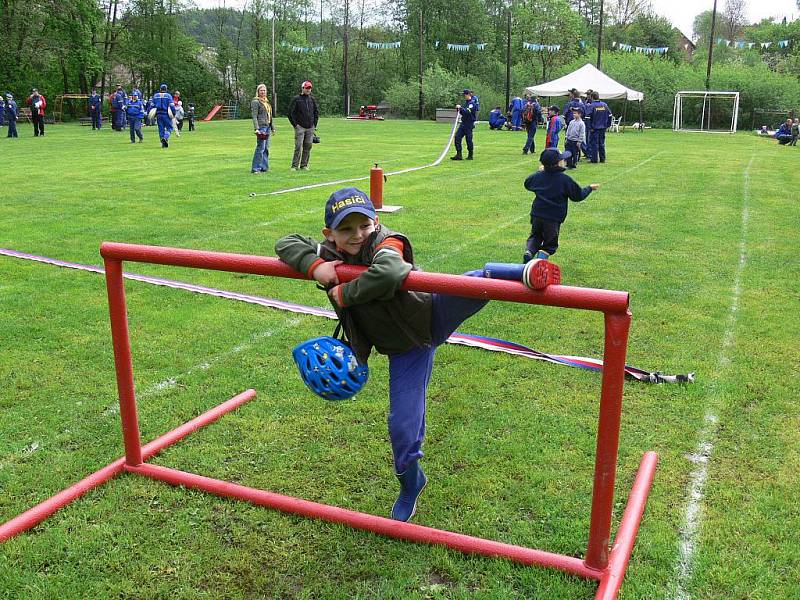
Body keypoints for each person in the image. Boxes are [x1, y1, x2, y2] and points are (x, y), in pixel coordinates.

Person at [275, 187, 504, 523]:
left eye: (363, 226)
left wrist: (345, 292)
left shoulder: (388, 242)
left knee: (475, 284)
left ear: (376, 222)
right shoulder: (328, 250)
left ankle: (519, 271)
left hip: (428, 321)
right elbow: (286, 243)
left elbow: (390, 272)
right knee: (402, 429)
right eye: (345, 229)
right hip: (400, 347)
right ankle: (411, 481)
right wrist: (314, 265)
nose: (356, 235)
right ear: (329, 233)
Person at [523, 148, 600, 262]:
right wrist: (589, 188)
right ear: (558, 163)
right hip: (553, 218)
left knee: (535, 236)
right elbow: (577, 196)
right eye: (562, 159)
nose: (564, 161)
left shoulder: (539, 176)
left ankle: (529, 252)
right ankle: (539, 263)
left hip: (537, 214)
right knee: (550, 244)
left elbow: (527, 183)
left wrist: (539, 172)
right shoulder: (564, 180)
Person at [287, 80, 319, 171]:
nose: (308, 90)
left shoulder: (312, 99)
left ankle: (304, 165)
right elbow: (290, 113)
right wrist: (295, 125)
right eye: (307, 88)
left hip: (310, 127)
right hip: (300, 127)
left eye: (310, 88)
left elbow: (316, 112)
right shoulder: (296, 99)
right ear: (302, 88)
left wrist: (314, 125)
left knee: (308, 146)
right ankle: (294, 166)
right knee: (298, 146)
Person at [250, 83, 275, 174]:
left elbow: (270, 115)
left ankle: (264, 167)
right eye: (261, 90)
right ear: (258, 91)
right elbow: (254, 116)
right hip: (261, 127)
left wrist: (272, 127)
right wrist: (256, 128)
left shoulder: (266, 102)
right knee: (260, 147)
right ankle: (255, 168)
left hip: (267, 126)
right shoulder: (256, 102)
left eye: (264, 90)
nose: (263, 92)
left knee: (266, 148)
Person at [451, 88, 480, 160]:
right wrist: (458, 109)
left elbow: (467, 111)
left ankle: (470, 155)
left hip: (469, 124)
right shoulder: (466, 103)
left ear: (468, 94)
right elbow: (462, 112)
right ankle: (459, 155)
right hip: (463, 123)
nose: (464, 96)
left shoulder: (472, 103)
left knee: (468, 140)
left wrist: (460, 108)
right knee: (457, 137)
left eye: (464, 94)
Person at [585, 92, 612, 163]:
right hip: (603, 128)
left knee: (594, 144)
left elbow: (587, 117)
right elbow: (610, 115)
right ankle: (602, 159)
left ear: (592, 97)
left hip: (594, 129)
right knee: (602, 143)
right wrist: (608, 125)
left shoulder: (592, 106)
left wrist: (589, 127)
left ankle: (594, 160)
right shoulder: (604, 105)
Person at [150, 83, 175, 148]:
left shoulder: (156, 96)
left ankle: (162, 141)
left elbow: (151, 106)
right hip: (166, 114)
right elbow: (172, 106)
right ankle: (165, 137)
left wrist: (150, 114)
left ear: (160, 89)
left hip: (158, 114)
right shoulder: (168, 96)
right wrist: (174, 113)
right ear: (166, 89)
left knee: (161, 129)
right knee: (169, 128)